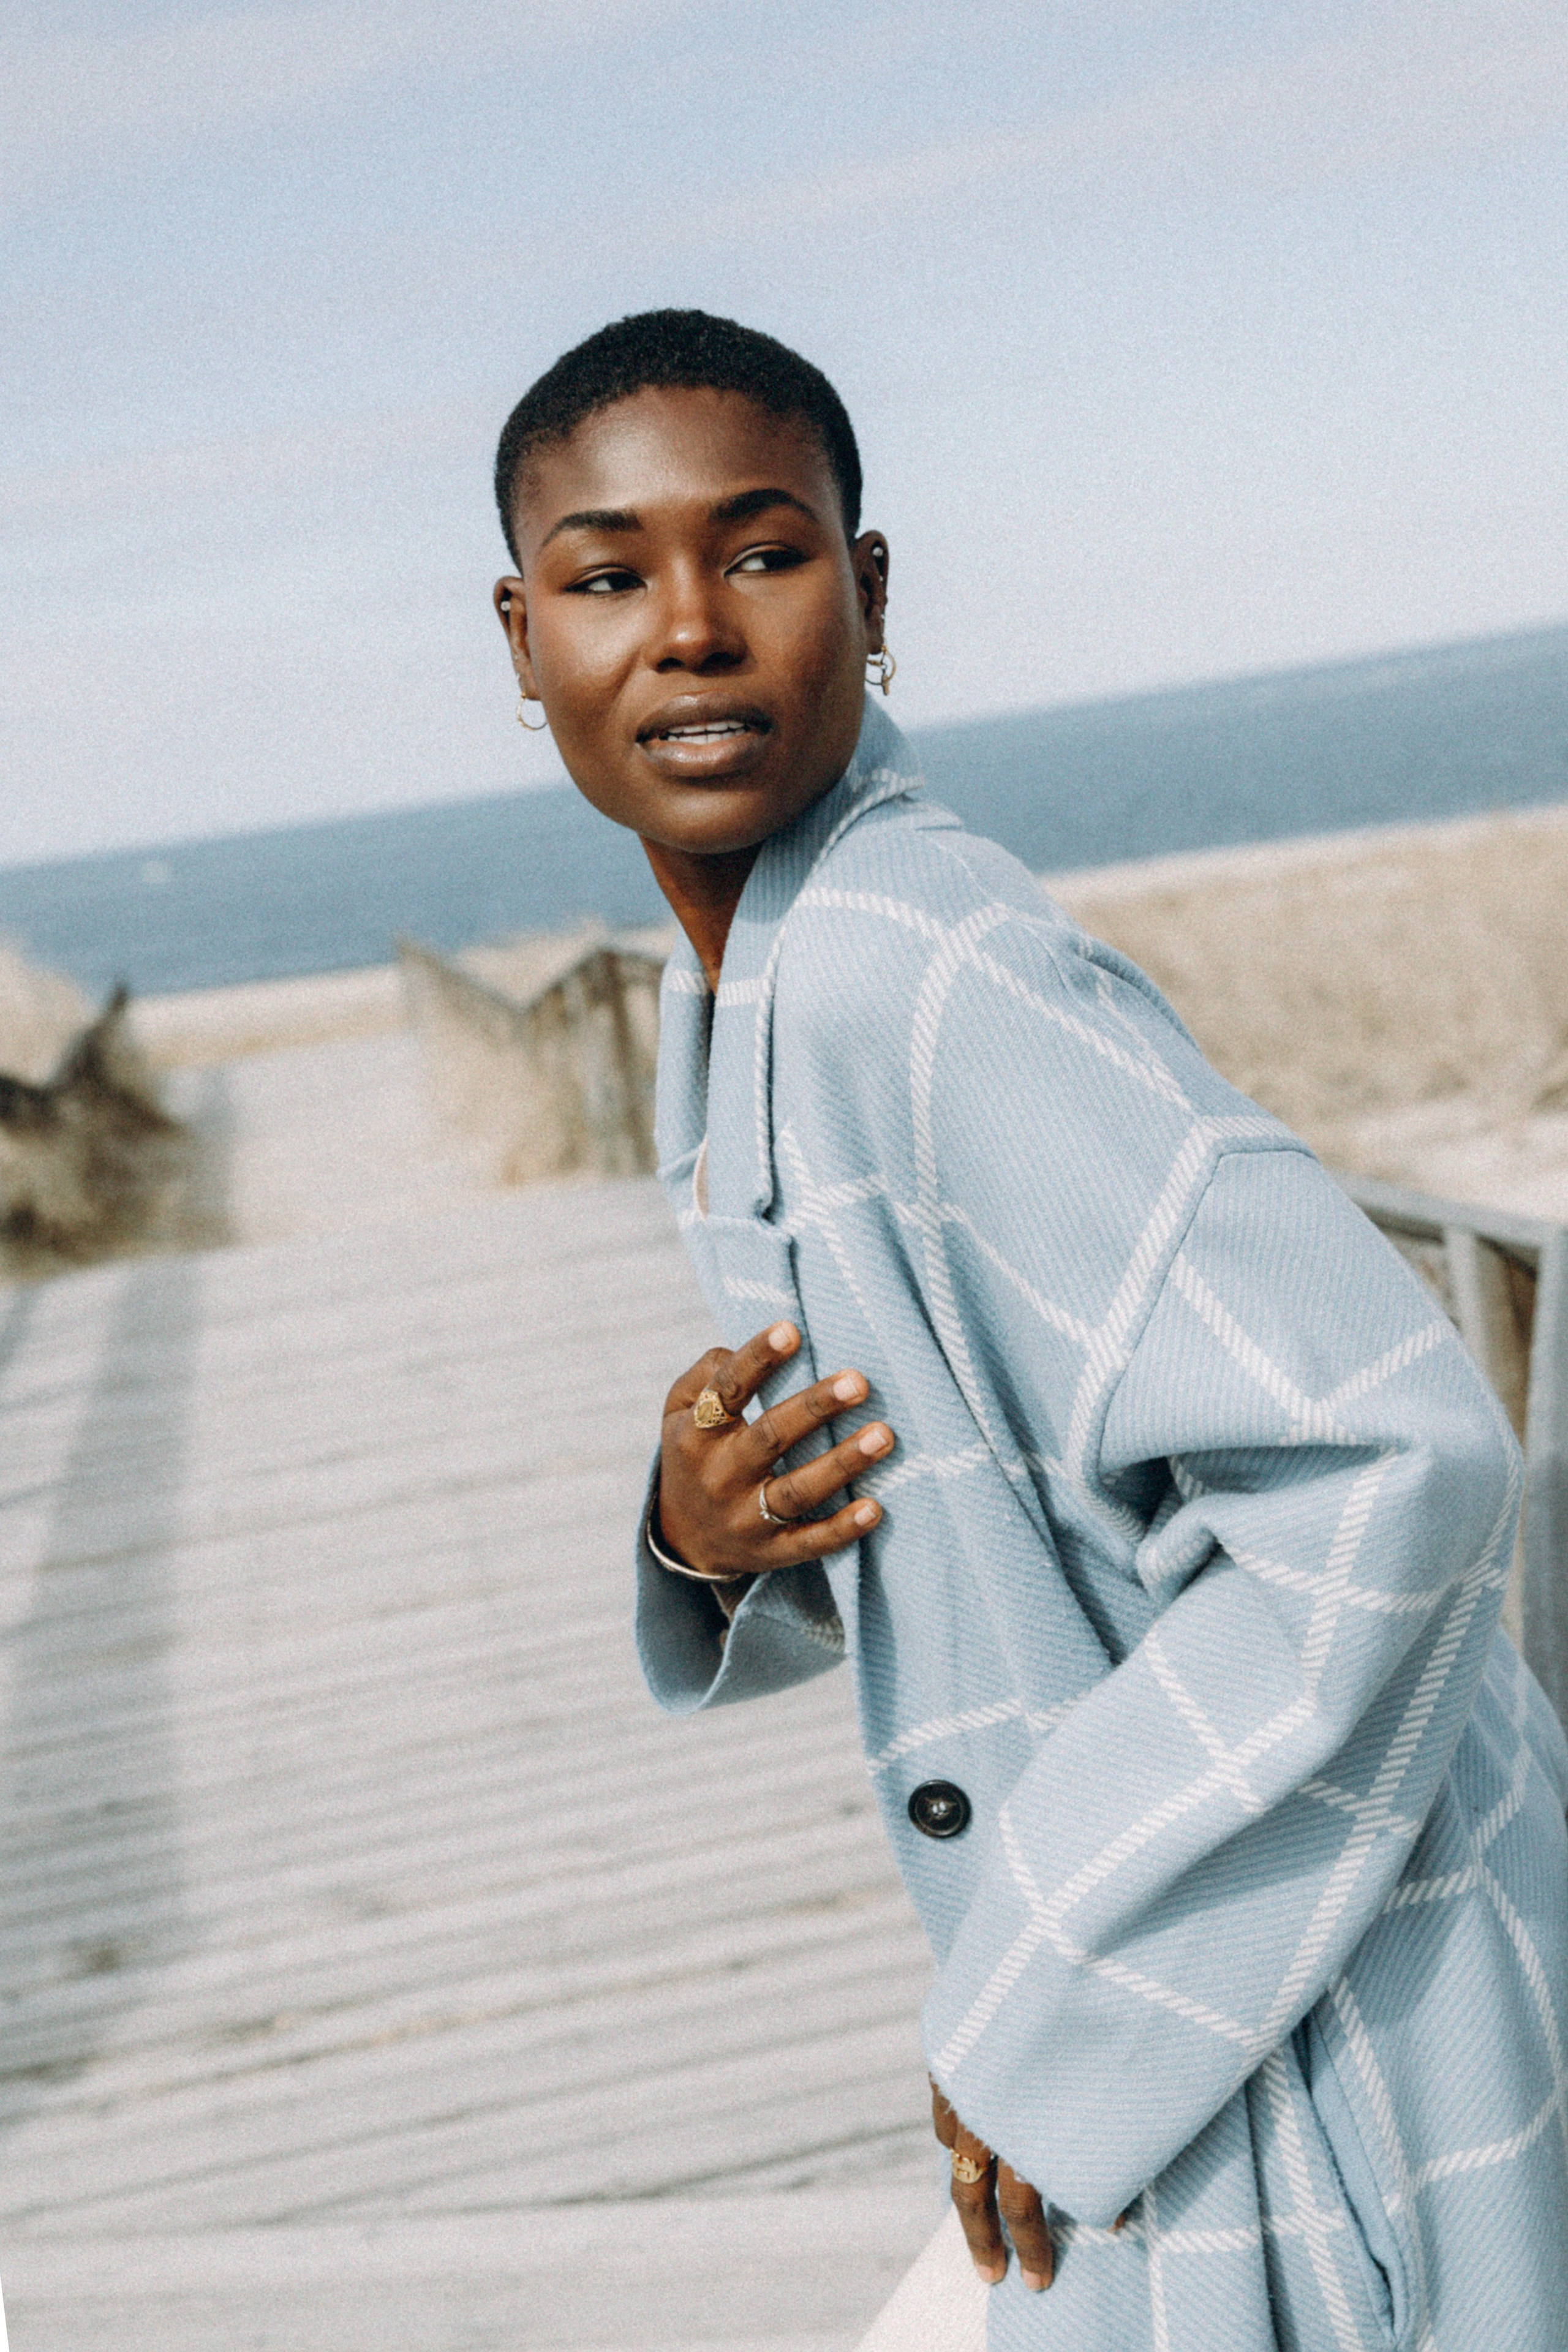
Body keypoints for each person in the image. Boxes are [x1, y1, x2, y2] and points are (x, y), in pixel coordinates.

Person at [491, 309, 1568, 2349]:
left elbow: (1396, 1458)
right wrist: (703, 1534)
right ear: (521, 637)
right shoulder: (764, 987)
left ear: (870, 592)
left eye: (765, 550)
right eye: (609, 575)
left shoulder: (923, 972)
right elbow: (999, 1503)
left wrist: (1046, 1979)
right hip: (1223, 1967)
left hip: (1307, 1969)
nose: (692, 627)